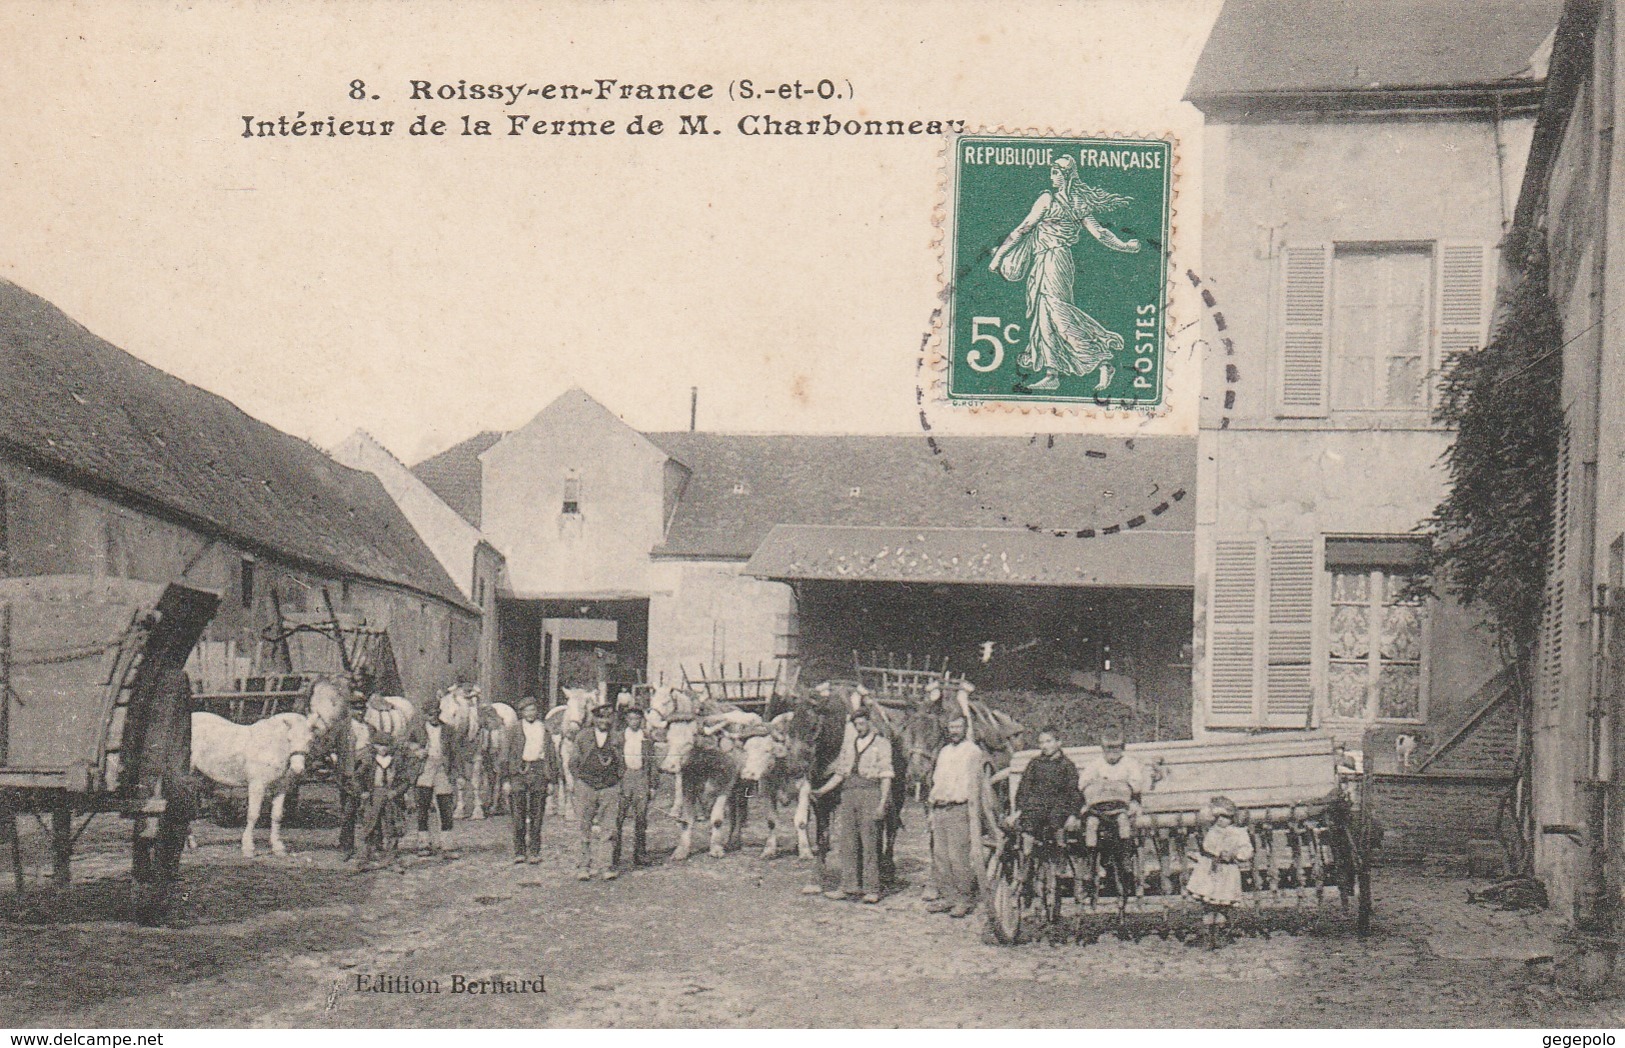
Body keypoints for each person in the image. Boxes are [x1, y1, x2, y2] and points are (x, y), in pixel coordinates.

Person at [987, 152, 1142, 392]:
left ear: (1068, 175)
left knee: (1058, 313)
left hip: (1054, 261)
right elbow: (1098, 233)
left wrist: (999, 256)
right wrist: (1125, 246)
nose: (1053, 176)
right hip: (1050, 261)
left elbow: (1023, 229)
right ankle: (1052, 374)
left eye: (1057, 172)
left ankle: (1102, 360)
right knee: (1045, 316)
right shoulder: (1076, 202)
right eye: (1052, 172)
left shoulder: (1049, 200)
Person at [811, 706, 893, 904]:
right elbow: (840, 774)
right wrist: (822, 790)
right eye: (856, 724)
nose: (860, 727)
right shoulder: (849, 745)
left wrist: (882, 802)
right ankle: (848, 886)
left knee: (869, 841)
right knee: (847, 841)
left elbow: (886, 775)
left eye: (862, 723)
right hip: (849, 794)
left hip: (870, 792)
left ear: (870, 722)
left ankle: (872, 888)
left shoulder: (881, 744)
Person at [926, 703, 987, 918]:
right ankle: (948, 897)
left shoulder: (972, 751)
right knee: (940, 856)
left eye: (958, 727)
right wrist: (932, 808)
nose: (954, 731)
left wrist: (973, 814)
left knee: (958, 856)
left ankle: (964, 899)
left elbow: (974, 785)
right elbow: (937, 781)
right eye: (951, 727)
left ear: (965, 727)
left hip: (960, 809)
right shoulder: (943, 752)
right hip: (940, 808)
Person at [1185, 796, 1254, 949]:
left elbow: (1247, 850)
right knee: (1208, 904)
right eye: (1220, 817)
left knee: (1222, 904)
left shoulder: (1239, 832)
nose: (1223, 820)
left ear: (1233, 818)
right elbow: (1207, 843)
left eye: (1227, 817)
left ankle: (1219, 935)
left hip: (1227, 870)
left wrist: (1236, 855)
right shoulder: (1212, 829)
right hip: (1209, 869)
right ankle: (1207, 936)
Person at [571, 703, 625, 881]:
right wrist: (580, 781)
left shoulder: (617, 738)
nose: (604, 721)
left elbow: (623, 762)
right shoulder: (583, 737)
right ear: (594, 718)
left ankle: (606, 866)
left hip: (609, 786)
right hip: (587, 786)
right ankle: (583, 866)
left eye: (607, 717)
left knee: (609, 828)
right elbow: (573, 762)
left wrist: (617, 781)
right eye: (600, 717)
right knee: (584, 826)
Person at [1012, 726, 1083, 848]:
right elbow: (1024, 788)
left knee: (1057, 820)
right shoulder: (1035, 764)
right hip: (1037, 805)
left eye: (1048, 741)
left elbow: (1074, 792)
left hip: (1059, 806)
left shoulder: (1067, 765)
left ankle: (1060, 852)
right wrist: (1019, 809)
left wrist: (1073, 815)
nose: (1044, 746)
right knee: (1029, 823)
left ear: (1058, 743)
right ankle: (1027, 860)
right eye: (1041, 742)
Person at [406, 696, 460, 859]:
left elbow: (455, 753)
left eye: (436, 714)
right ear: (424, 715)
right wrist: (416, 752)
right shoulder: (417, 730)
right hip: (425, 768)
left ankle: (447, 844)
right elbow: (405, 747)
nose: (433, 717)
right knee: (422, 806)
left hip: (443, 769)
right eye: (430, 715)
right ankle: (424, 843)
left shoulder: (449, 730)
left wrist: (457, 774)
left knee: (445, 806)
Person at [507, 697, 559, 865]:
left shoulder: (543, 729)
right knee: (518, 813)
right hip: (519, 772)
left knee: (537, 814)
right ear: (522, 712)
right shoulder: (514, 729)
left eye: (533, 710)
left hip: (538, 772)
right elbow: (505, 754)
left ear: (537, 712)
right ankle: (519, 851)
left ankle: (534, 851)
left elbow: (551, 755)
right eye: (526, 710)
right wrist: (505, 779)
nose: (530, 713)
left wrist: (552, 780)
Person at [1078, 729, 1151, 847]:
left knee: (1123, 821)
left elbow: (1136, 785)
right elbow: (1082, 784)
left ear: (1122, 749)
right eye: (1108, 749)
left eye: (1116, 749)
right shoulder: (1096, 764)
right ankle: (1091, 857)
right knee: (1091, 824)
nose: (1112, 753)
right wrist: (1098, 784)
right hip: (1100, 805)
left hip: (1122, 805)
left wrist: (1121, 785)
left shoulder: (1129, 764)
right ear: (1103, 749)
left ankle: (1125, 851)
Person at [612, 707, 656, 870]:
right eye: (631, 719)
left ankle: (640, 854)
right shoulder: (619, 737)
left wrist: (652, 785)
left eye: (637, 719)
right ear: (626, 720)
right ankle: (615, 856)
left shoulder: (646, 738)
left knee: (641, 819)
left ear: (641, 720)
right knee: (618, 818)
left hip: (641, 778)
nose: (634, 722)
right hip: (624, 779)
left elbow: (652, 762)